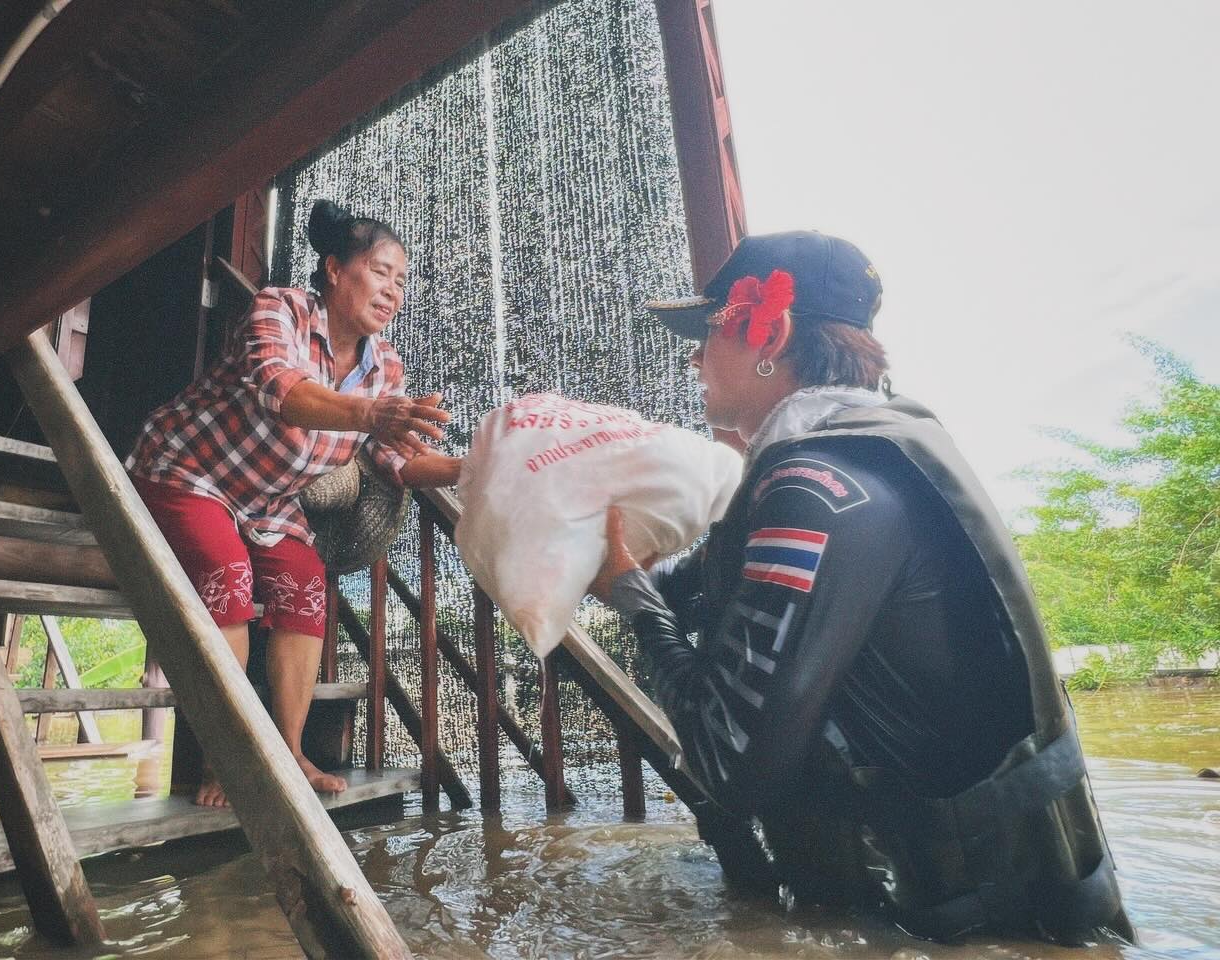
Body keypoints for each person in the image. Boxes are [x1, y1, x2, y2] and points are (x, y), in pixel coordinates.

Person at [589, 231, 1134, 945]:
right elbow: (678, 586)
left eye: (708, 328)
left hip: (945, 929)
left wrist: (632, 603)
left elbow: (728, 764)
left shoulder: (811, 490)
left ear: (771, 332)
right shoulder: (864, 455)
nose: (693, 355)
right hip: (1011, 906)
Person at [127, 199, 461, 805]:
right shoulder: (278, 308)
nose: (394, 292)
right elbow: (281, 389)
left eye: (402, 282)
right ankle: (225, 758)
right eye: (382, 272)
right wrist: (368, 414)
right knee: (226, 576)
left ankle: (289, 751)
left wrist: (474, 468)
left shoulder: (385, 366)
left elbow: (396, 461)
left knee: (306, 585)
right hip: (188, 470)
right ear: (334, 269)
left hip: (267, 501)